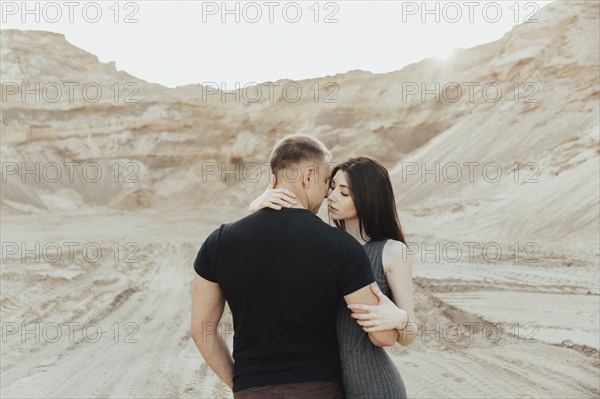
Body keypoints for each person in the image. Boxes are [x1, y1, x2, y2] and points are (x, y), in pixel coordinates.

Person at [191, 135, 399, 399]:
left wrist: (241, 384)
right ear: (308, 176)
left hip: (251, 389)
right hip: (319, 390)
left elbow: (201, 328)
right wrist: (400, 319)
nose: (326, 194)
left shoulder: (219, 242)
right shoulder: (341, 246)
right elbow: (383, 335)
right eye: (326, 182)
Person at [250, 155, 416, 398]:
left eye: (345, 192)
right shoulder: (322, 244)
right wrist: (257, 208)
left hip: (374, 388)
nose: (332, 196)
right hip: (322, 387)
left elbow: (408, 336)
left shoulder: (392, 251)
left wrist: (400, 319)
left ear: (369, 197)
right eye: (332, 187)